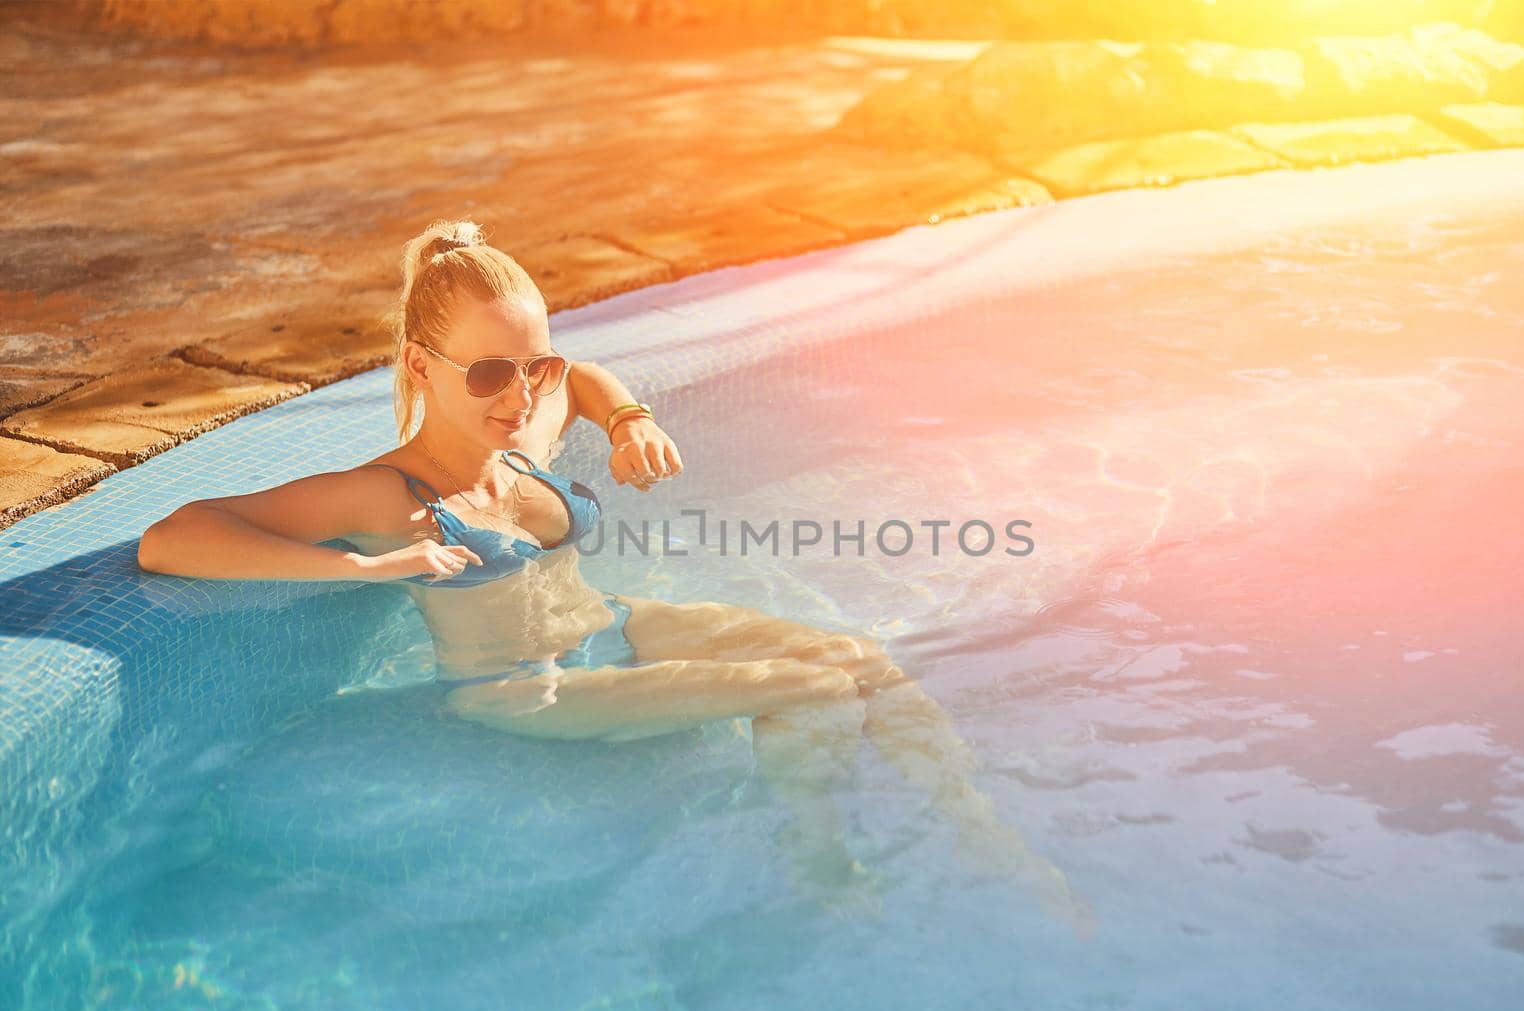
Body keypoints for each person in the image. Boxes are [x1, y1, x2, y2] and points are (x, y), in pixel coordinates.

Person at [137, 218, 1096, 934]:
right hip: (525, 688)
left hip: (615, 627)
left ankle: (990, 840)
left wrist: (630, 415)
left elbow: (583, 379)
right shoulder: (386, 494)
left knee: (863, 656)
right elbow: (173, 537)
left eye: (531, 368)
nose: (520, 398)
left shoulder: (519, 428)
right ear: (417, 366)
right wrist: (367, 566)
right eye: (488, 375)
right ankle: (824, 874)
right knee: (811, 686)